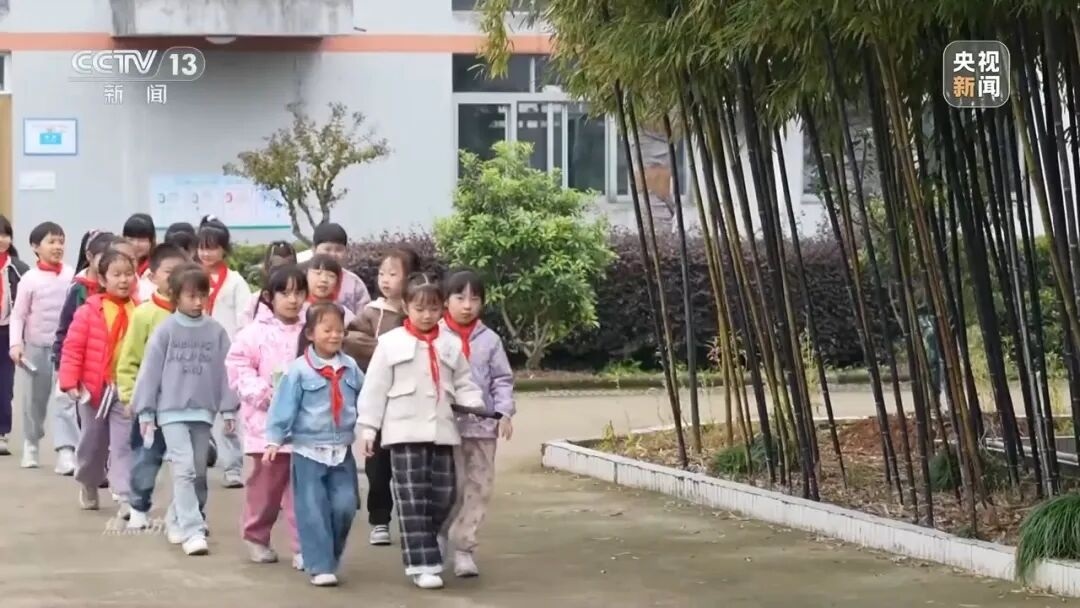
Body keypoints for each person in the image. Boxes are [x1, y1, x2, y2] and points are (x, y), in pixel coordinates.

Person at [356, 274, 486, 590]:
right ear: (406, 306)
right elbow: (374, 389)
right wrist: (369, 428)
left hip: (442, 431)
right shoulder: (390, 343)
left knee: (446, 495)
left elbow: (464, 381)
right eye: (419, 308)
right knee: (412, 499)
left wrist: (473, 402)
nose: (427, 315)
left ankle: (430, 539)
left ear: (442, 308)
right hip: (403, 433)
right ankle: (422, 564)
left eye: (433, 308)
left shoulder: (450, 344)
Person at [131, 263, 238, 556]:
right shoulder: (165, 330)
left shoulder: (216, 332)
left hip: (203, 411)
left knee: (199, 472)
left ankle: (177, 517)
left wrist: (229, 409)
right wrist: (146, 411)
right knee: (184, 468)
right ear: (176, 296)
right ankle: (193, 529)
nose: (198, 301)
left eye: (202, 295)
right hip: (170, 412)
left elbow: (227, 372)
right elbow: (150, 373)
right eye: (191, 296)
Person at [266, 302, 362, 587]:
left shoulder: (350, 367)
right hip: (308, 451)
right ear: (310, 333)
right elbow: (283, 406)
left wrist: (371, 428)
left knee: (345, 505)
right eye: (327, 329)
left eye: (339, 330)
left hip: (342, 450)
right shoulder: (298, 371)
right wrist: (274, 439)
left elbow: (367, 397)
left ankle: (328, 555)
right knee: (313, 509)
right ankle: (320, 565)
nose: (335, 335)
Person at [225, 265, 306, 567]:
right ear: (270, 297)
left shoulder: (311, 330)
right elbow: (238, 368)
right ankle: (256, 536)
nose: (293, 299)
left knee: (302, 493)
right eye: (286, 293)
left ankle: (303, 547)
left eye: (299, 292)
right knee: (265, 490)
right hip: (265, 428)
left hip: (305, 428)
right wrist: (266, 395)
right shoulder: (252, 334)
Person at [440, 270, 515, 577]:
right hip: (445, 427)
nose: (467, 305)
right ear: (446, 301)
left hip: (483, 429)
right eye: (460, 298)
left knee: (479, 487)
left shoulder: (490, 340)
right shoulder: (436, 335)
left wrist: (504, 413)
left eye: (474, 298)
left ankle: (464, 548)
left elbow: (502, 379)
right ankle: (439, 534)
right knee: (451, 487)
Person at [344, 247, 417, 546]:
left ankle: (413, 520)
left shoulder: (419, 310)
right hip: (379, 404)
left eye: (393, 274)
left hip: (411, 405)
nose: (385, 280)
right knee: (377, 467)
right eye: (382, 273)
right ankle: (379, 519)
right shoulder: (372, 312)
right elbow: (350, 339)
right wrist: (385, 351)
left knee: (410, 468)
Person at [58, 249, 137, 512]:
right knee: (92, 444)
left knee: (124, 444)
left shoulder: (139, 310)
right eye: (117, 274)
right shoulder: (89, 311)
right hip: (94, 391)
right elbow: (72, 348)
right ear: (102, 279)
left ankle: (125, 495)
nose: (124, 280)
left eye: (128, 274)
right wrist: (69, 382)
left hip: (125, 390)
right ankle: (88, 482)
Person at [115, 244, 187, 529]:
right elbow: (129, 359)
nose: (175, 277)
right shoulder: (144, 314)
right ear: (153, 276)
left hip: (185, 403)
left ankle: (187, 514)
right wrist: (129, 396)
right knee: (146, 457)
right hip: (151, 405)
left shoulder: (194, 313)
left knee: (187, 463)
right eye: (169, 272)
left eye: (181, 271)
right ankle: (138, 506)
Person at [50, 231, 120, 476]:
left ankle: (109, 474)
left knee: (106, 425)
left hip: (110, 373)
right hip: (81, 367)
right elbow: (66, 331)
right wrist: (62, 363)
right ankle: (71, 455)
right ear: (91, 258)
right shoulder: (79, 292)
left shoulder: (124, 297)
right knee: (74, 413)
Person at [10, 222, 75, 470]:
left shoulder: (71, 275)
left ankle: (66, 450)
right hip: (36, 348)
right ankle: (31, 442)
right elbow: (18, 315)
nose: (57, 247)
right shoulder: (29, 279)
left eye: (61, 241)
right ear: (35, 247)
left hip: (66, 349)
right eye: (51, 242)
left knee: (65, 399)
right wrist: (16, 344)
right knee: (34, 402)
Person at [196, 217, 251, 488]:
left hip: (226, 356)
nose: (206, 253)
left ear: (224, 249)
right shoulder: (191, 278)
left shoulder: (235, 282)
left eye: (213, 247)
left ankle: (232, 467)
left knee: (228, 414)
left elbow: (244, 319)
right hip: (196, 355)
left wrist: (240, 350)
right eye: (202, 247)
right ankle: (196, 463)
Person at [0, 215, 28, 456]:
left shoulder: (19, 269)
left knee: (4, 384)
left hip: (6, 332)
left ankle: (1, 433)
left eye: (5, 234)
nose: (2, 239)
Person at [310, 222, 370, 316]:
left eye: (338, 250)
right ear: (314, 250)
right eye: (327, 249)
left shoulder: (354, 282)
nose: (333, 254)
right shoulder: (302, 279)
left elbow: (365, 316)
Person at [240, 240, 297, 328]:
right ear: (267, 269)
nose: (283, 275)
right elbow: (243, 331)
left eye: (289, 269)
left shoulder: (301, 300)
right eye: (278, 269)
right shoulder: (254, 302)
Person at [304, 254, 355, 326]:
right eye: (318, 273)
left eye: (331, 276)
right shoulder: (297, 309)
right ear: (306, 275)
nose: (324, 279)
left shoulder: (344, 314)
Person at [123, 213, 156, 300]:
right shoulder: (116, 263)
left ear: (151, 241)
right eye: (131, 239)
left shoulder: (156, 266)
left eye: (142, 240)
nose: (136, 244)